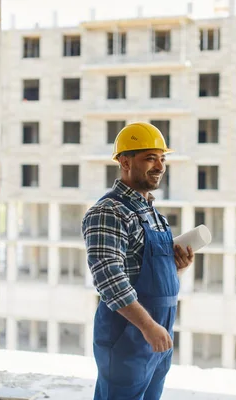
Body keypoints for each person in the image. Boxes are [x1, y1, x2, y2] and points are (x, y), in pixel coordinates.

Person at [82, 122, 195, 400]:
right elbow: (109, 279)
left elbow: (146, 275)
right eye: (149, 158)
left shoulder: (155, 215)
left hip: (157, 334)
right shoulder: (109, 212)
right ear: (124, 161)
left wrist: (176, 267)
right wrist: (147, 326)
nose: (159, 166)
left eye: (162, 158)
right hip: (128, 337)